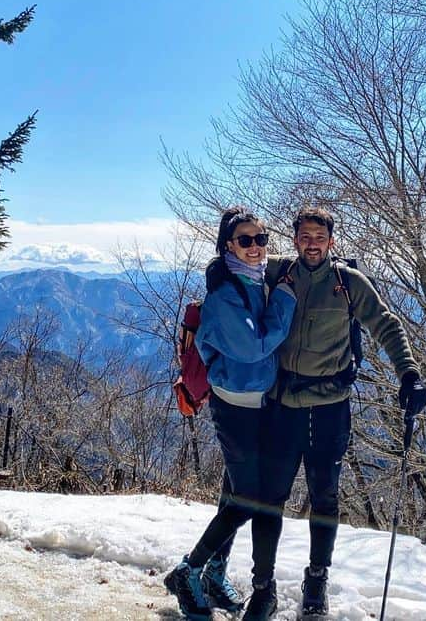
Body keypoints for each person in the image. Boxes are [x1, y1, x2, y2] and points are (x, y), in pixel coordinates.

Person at [248, 206, 426, 621]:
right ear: (295, 240)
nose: (312, 243)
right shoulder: (276, 273)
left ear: (331, 241)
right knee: (269, 498)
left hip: (329, 409)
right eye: (305, 236)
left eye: (320, 236)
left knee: (324, 496)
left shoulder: (349, 284)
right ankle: (263, 586)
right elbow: (233, 269)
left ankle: (317, 579)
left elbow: (386, 324)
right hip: (281, 406)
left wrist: (410, 374)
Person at [164, 207, 297, 621]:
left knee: (233, 492)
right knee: (250, 500)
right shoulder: (224, 296)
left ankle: (214, 572)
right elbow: (255, 347)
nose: (255, 247)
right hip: (235, 405)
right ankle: (188, 570)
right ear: (227, 246)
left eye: (261, 239)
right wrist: (288, 300)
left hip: (255, 403)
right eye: (245, 240)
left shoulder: (252, 281)